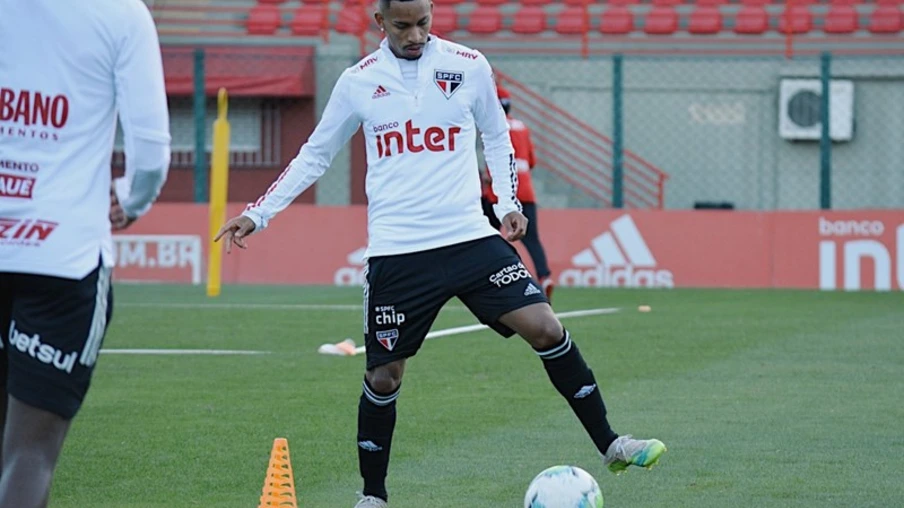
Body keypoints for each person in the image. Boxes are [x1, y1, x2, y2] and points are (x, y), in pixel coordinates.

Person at [215, 0, 665, 505]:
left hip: (471, 236)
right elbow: (315, 155)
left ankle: (611, 444)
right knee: (384, 376)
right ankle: (373, 496)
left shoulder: (468, 65)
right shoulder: (357, 81)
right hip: (399, 251)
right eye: (402, 25)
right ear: (379, 22)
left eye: (423, 23)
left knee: (545, 326)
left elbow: (496, 135)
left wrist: (507, 202)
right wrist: (259, 212)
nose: (415, 34)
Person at [0, 1, 171, 506]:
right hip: (63, 257)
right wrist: (133, 200)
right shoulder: (121, 15)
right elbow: (151, 151)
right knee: (28, 456)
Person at [480, 85, 555, 301]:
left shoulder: (493, 126)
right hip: (526, 190)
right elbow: (531, 161)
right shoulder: (522, 127)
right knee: (532, 240)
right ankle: (544, 276)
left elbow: (495, 155)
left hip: (499, 193)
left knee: (487, 236)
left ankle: (489, 277)